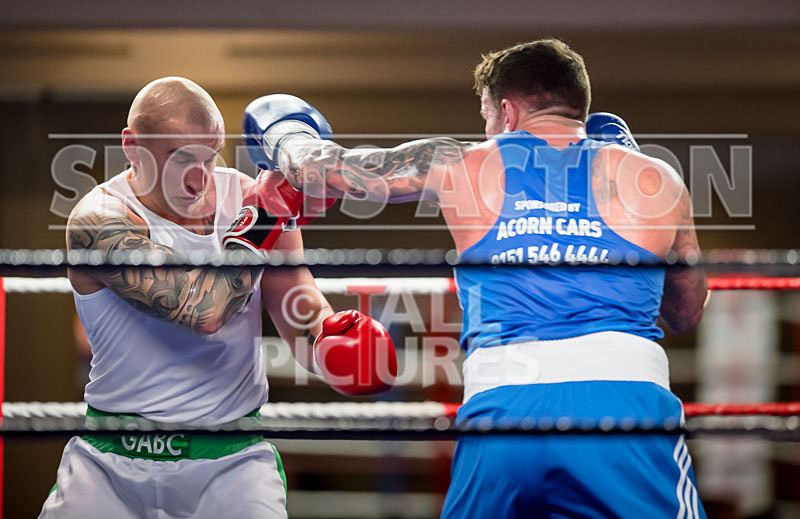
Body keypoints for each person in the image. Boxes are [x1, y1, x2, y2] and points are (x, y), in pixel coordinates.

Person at [245, 38, 708, 518]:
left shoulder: (459, 163)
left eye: (486, 115)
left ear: (506, 112)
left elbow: (332, 171)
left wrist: (286, 136)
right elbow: (684, 312)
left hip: (502, 417)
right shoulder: (658, 179)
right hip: (622, 414)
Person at [41, 76, 396, 519]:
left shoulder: (246, 195)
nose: (198, 177)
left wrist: (329, 341)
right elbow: (202, 308)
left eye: (209, 157)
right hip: (109, 463)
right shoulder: (99, 220)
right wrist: (262, 221)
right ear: (131, 145)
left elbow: (298, 308)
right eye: (180, 158)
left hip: (230, 463)